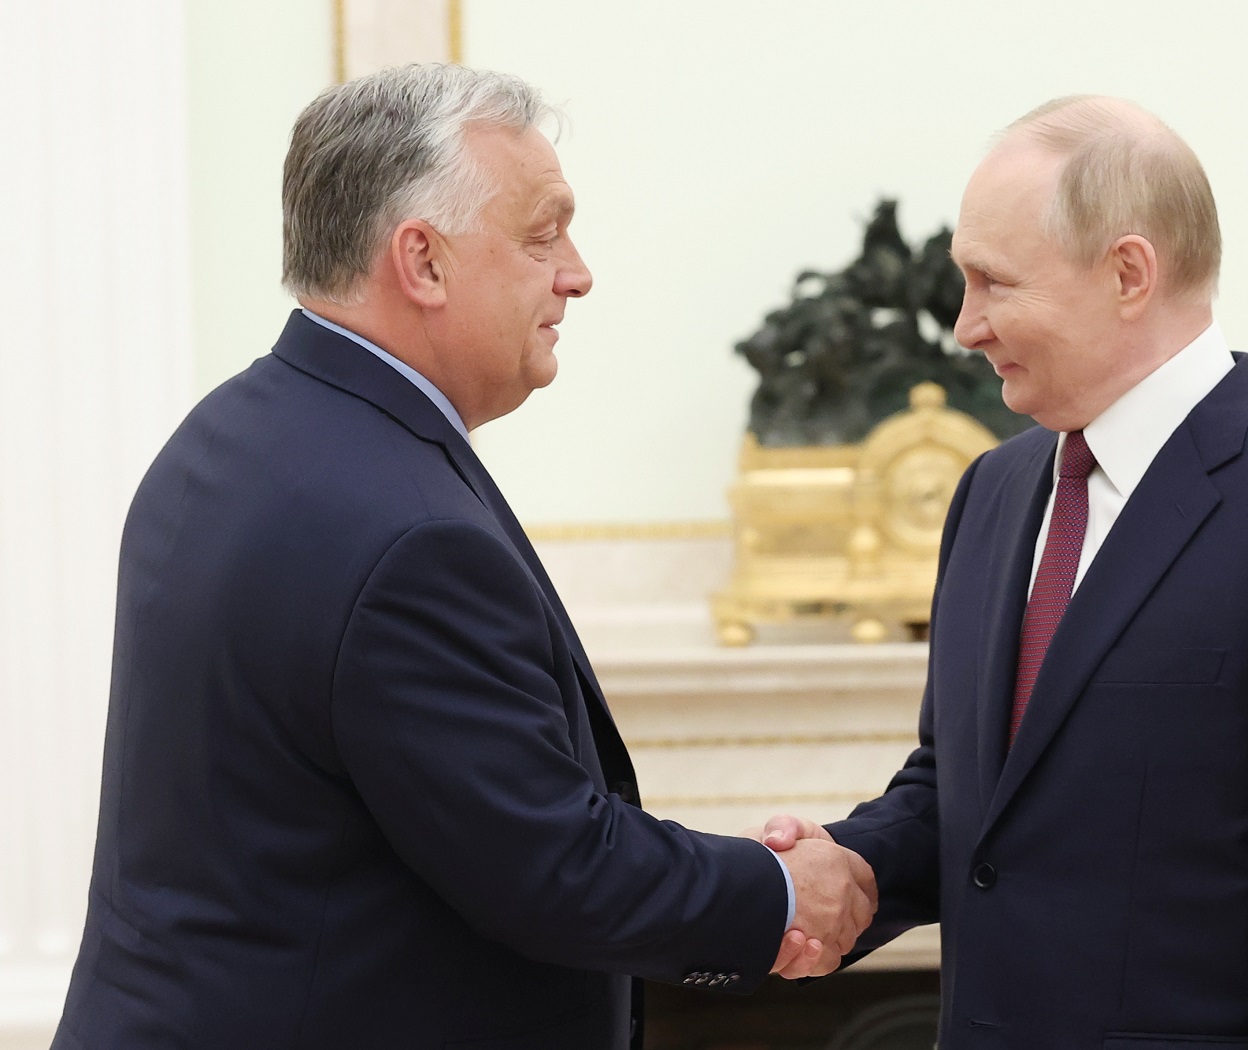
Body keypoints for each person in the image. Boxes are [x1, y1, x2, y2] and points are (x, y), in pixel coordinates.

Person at [51, 64, 873, 1050]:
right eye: (541, 235)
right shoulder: (404, 532)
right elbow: (554, 868)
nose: (576, 272)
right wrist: (784, 890)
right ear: (424, 262)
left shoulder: (230, 437)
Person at [762, 96, 1248, 1049]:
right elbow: (968, 797)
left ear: (1129, 272)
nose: (965, 326)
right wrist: (845, 868)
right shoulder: (993, 491)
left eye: (992, 283)